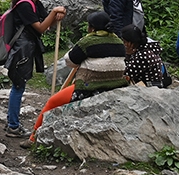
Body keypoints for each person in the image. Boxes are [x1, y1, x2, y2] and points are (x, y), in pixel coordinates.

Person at [29, 12, 126, 141]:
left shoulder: (88, 41)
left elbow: (70, 61)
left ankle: (33, 137)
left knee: (53, 101)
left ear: (91, 27)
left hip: (90, 86)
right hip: (116, 85)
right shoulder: (119, 42)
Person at [5, 0, 66, 138]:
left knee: (19, 86)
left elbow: (45, 24)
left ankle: (12, 121)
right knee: (18, 86)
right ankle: (13, 126)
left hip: (27, 48)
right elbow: (39, 28)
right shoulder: (24, 5)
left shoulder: (36, 4)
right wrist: (54, 12)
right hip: (21, 50)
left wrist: (55, 16)